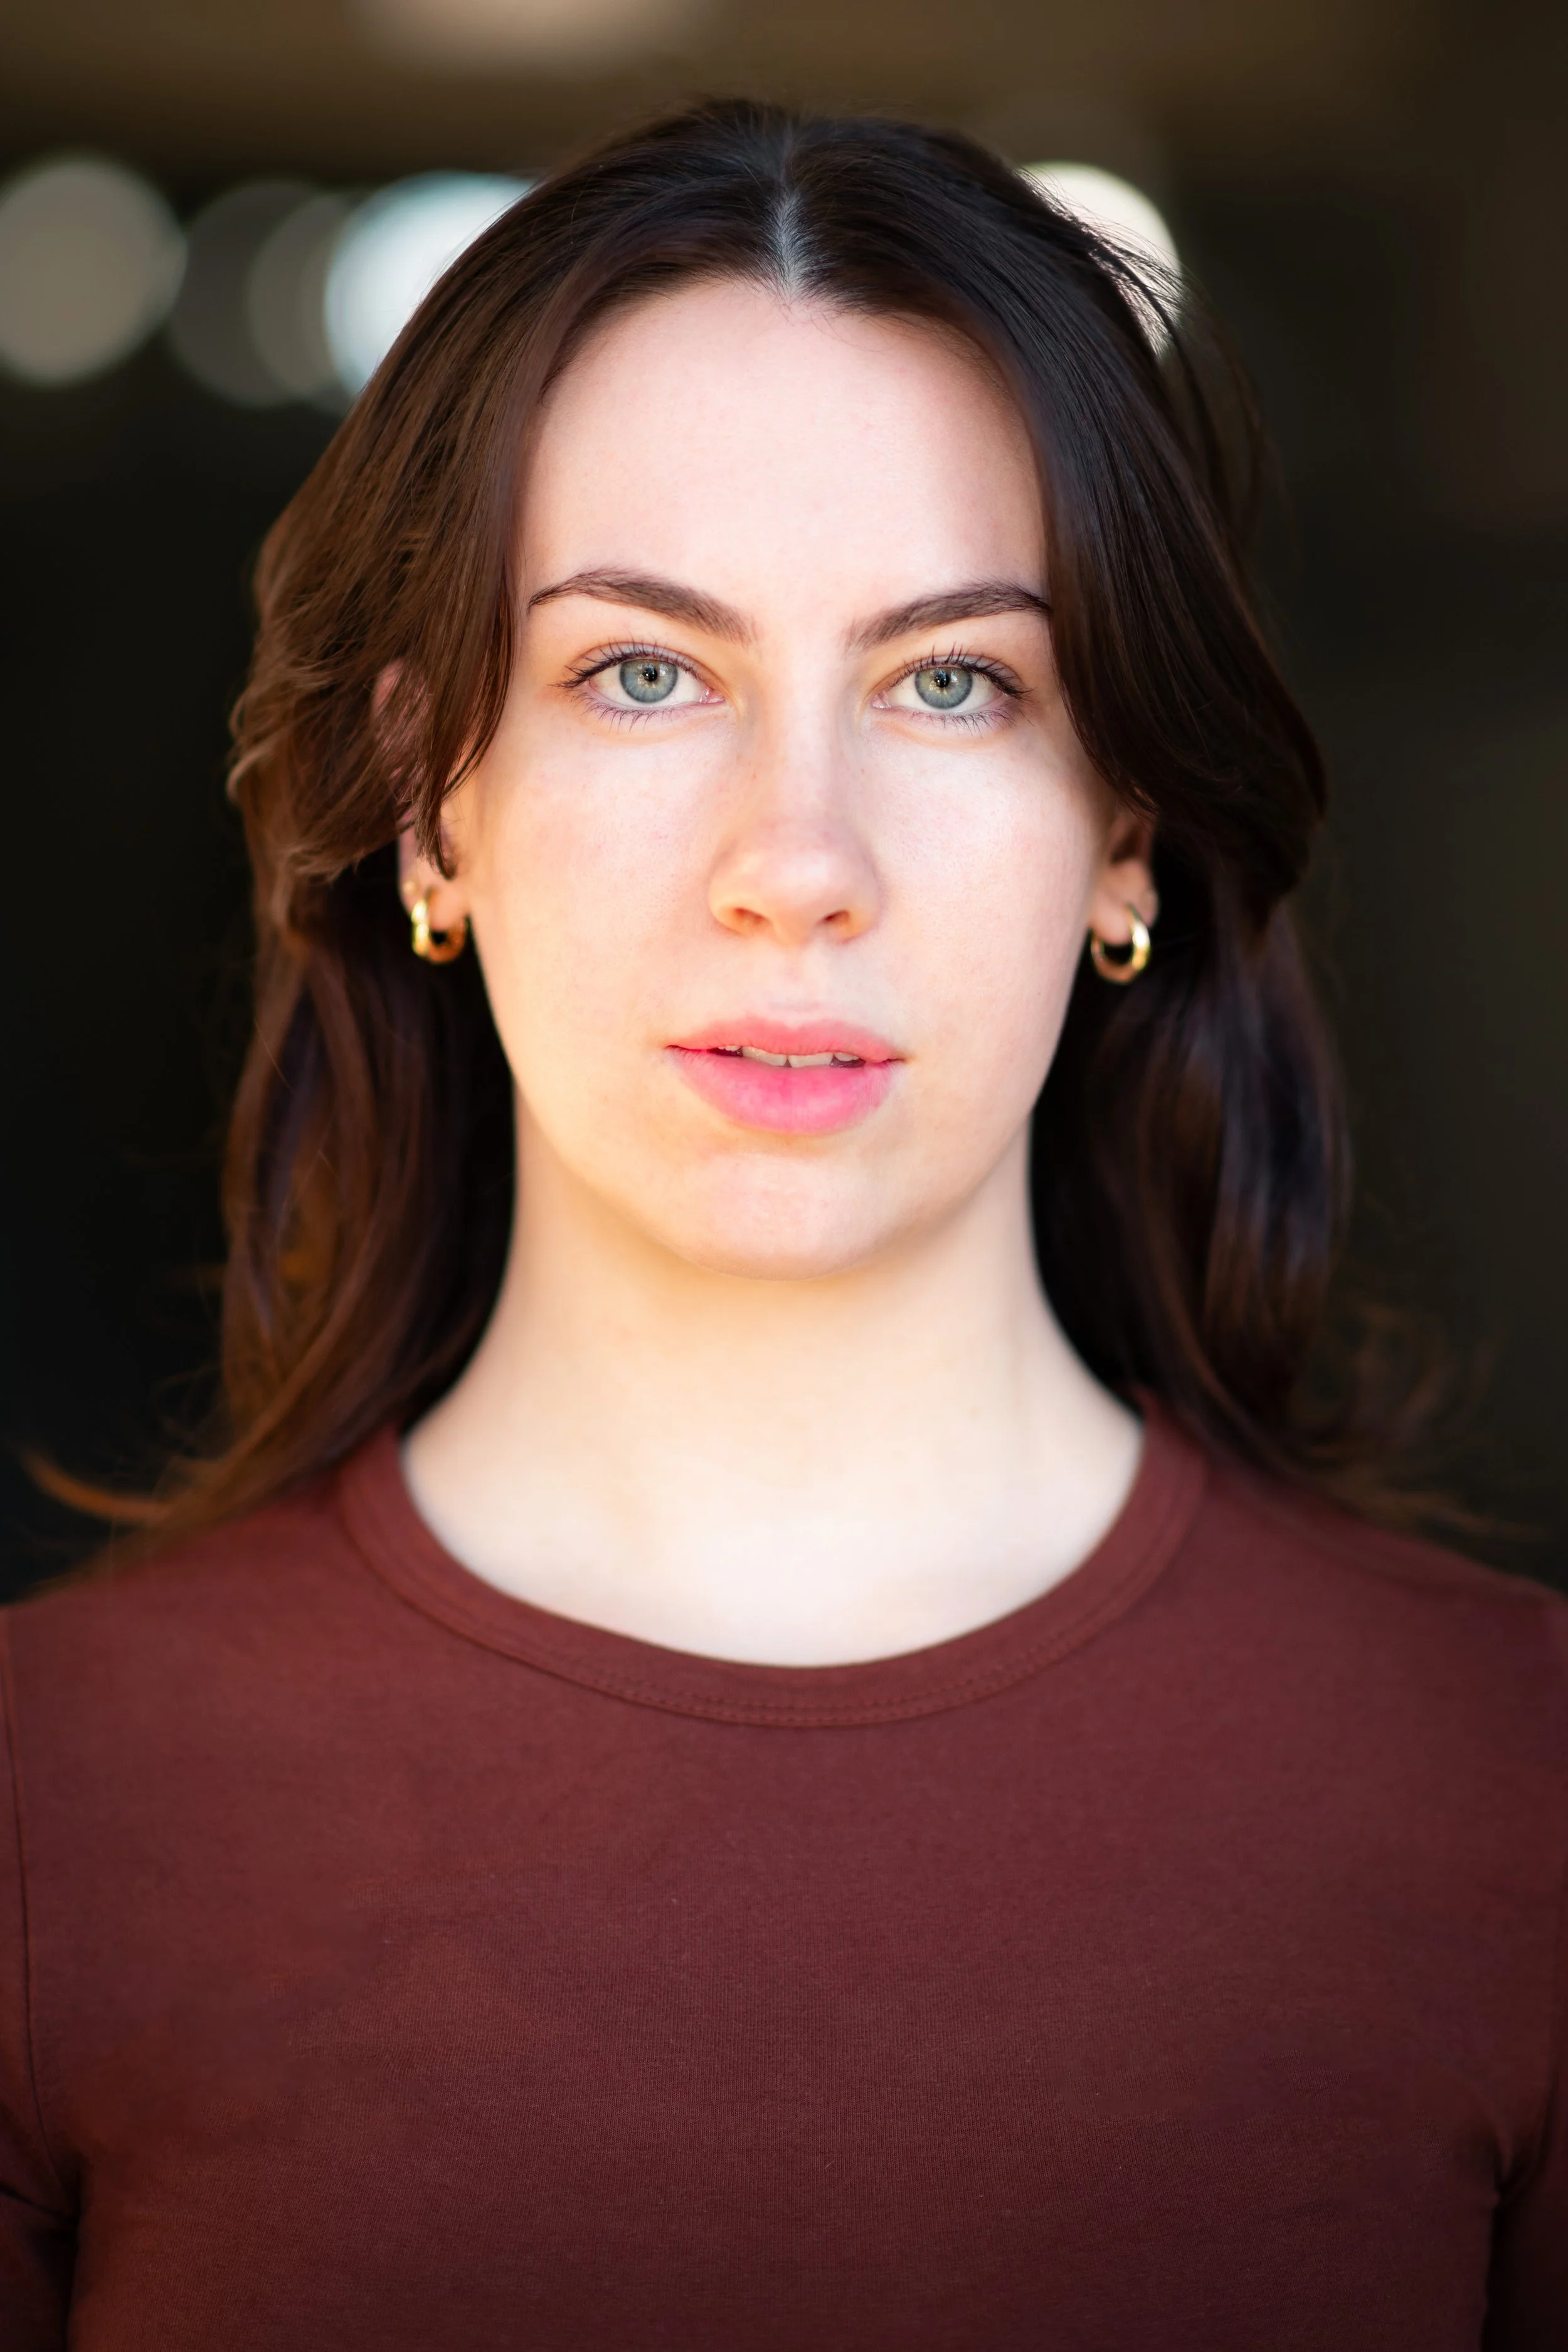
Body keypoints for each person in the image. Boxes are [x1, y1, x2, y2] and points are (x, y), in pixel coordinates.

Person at [1, 98, 1563, 2350]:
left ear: (1124, 828)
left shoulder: (1504, 1789)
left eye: (953, 681)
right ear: (432, 808)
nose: (796, 855)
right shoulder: (64, 1806)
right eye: (643, 671)